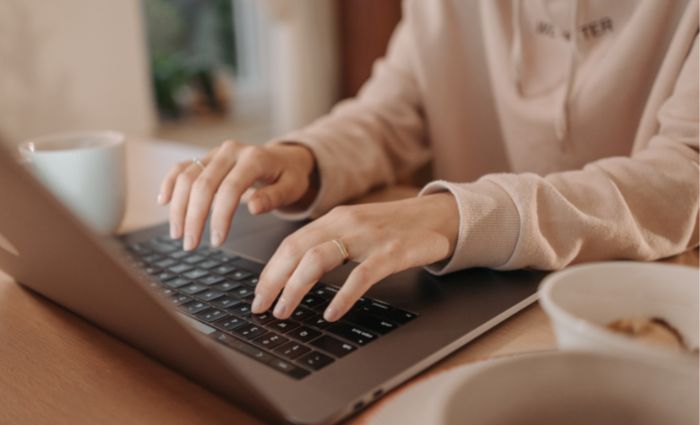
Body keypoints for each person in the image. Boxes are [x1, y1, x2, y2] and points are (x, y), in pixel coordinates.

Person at [157, 1, 699, 323]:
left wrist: (453, 216)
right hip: (477, 303)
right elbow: (391, 112)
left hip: (643, 310)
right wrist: (303, 157)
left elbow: (683, 175)